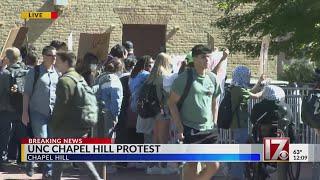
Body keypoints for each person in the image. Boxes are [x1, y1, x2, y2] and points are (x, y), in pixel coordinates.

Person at [168, 45, 222, 180]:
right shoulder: (184, 78)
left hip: (209, 129)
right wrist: (180, 127)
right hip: (190, 128)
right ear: (195, 59)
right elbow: (171, 103)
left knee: (214, 165)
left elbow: (215, 102)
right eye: (203, 57)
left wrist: (214, 122)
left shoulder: (213, 79)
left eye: (209, 57)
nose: (207, 60)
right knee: (192, 164)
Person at [50, 51, 102, 180]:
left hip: (68, 125)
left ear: (66, 62)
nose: (55, 63)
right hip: (80, 122)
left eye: (58, 60)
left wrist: (53, 124)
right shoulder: (78, 76)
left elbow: (61, 107)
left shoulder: (65, 81)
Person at [22, 46, 59, 178]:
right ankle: (36, 163)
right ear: (44, 56)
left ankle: (45, 170)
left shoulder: (57, 73)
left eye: (55, 55)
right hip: (37, 112)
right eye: (51, 55)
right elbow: (26, 94)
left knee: (51, 141)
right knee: (42, 139)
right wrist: (24, 112)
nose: (54, 58)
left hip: (53, 113)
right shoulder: (35, 72)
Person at [137, 53, 175, 174]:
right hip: (162, 111)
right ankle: (163, 166)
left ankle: (151, 165)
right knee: (163, 139)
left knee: (153, 139)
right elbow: (167, 96)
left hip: (150, 111)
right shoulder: (165, 77)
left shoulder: (150, 76)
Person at [250, 85, 294, 180]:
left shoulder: (258, 107)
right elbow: (291, 122)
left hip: (263, 139)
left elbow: (253, 120)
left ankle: (262, 167)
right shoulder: (286, 107)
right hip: (283, 140)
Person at [228, 65, 265, 179]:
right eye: (247, 76)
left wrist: (259, 83)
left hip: (236, 125)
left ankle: (235, 174)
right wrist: (266, 89)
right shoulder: (239, 90)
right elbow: (255, 95)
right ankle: (236, 176)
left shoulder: (235, 88)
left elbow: (250, 92)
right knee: (240, 153)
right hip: (240, 125)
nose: (248, 78)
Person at [0, 47, 24, 170]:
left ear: (7, 58)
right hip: (21, 110)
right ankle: (23, 160)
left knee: (4, 137)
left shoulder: (5, 73)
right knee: (22, 135)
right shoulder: (25, 71)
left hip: (6, 110)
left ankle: (1, 159)